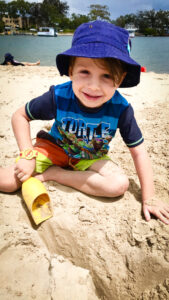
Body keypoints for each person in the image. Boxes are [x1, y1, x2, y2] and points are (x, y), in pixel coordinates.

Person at [0, 20, 168, 225]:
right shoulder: (59, 96)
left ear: (121, 78)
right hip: (53, 148)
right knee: (7, 182)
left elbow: (139, 151)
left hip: (90, 156)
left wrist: (149, 197)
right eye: (84, 72)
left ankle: (57, 175)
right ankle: (50, 169)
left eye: (107, 75)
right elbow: (20, 116)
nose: (94, 86)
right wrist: (27, 154)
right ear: (71, 70)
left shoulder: (121, 109)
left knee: (118, 184)